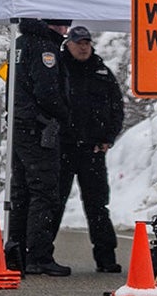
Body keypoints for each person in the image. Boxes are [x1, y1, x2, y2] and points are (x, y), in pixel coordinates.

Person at [54, 26, 126, 274]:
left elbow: (117, 109)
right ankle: (39, 255)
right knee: (54, 203)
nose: (83, 47)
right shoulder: (57, 69)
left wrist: (108, 138)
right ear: (68, 44)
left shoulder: (102, 72)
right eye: (78, 43)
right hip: (63, 149)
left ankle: (106, 259)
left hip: (93, 151)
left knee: (97, 206)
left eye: (86, 42)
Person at [5, 17, 72, 275]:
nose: (65, 30)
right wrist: (64, 114)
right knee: (44, 192)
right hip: (38, 128)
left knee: (21, 191)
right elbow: (47, 91)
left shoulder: (19, 43)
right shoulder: (45, 47)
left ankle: (17, 251)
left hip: (20, 125)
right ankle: (39, 256)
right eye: (63, 25)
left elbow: (11, 83)